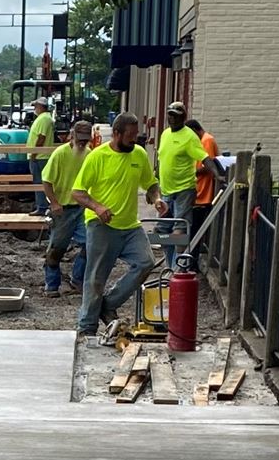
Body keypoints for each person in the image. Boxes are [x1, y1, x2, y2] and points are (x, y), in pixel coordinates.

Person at [75, 113, 159, 336]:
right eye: (130, 136)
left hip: (130, 225)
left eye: (136, 136)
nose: (134, 140)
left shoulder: (139, 155)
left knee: (146, 262)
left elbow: (150, 184)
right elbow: (78, 192)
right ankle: (87, 326)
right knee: (96, 277)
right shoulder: (98, 157)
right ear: (116, 134)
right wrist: (98, 207)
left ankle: (108, 304)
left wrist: (157, 198)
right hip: (101, 225)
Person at [40, 118, 94, 296]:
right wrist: (54, 202)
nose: (82, 143)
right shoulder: (60, 154)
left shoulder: (89, 154)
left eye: (85, 140)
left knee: (90, 244)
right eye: (80, 140)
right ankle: (52, 284)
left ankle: (77, 279)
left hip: (82, 208)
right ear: (72, 136)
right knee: (57, 248)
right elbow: (46, 181)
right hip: (63, 209)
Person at [155, 103, 208, 253]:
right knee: (162, 230)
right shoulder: (165, 134)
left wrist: (219, 174)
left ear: (183, 117)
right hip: (166, 189)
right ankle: (170, 264)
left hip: (184, 189)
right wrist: (154, 184)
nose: (172, 118)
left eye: (176, 115)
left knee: (179, 227)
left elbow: (205, 158)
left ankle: (179, 267)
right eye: (170, 115)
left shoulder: (190, 136)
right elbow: (162, 158)